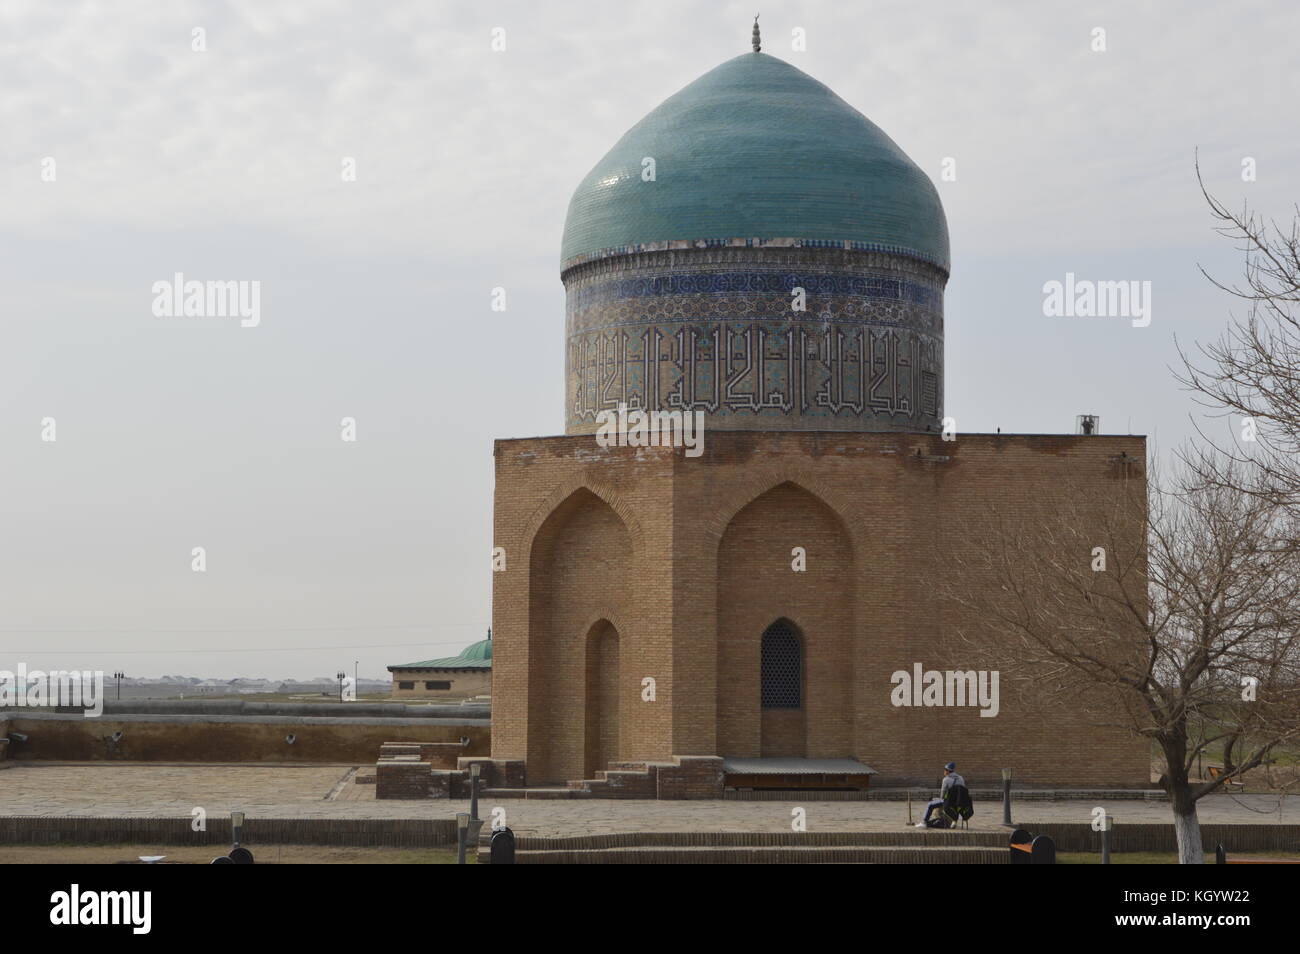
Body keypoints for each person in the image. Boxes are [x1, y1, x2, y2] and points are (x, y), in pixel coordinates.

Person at [916, 762, 965, 827]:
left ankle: (924, 822)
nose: (944, 771)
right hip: (959, 801)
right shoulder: (961, 778)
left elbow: (942, 794)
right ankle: (953, 821)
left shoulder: (946, 779)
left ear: (947, 771)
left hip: (949, 802)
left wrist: (938, 799)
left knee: (930, 804)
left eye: (944, 770)